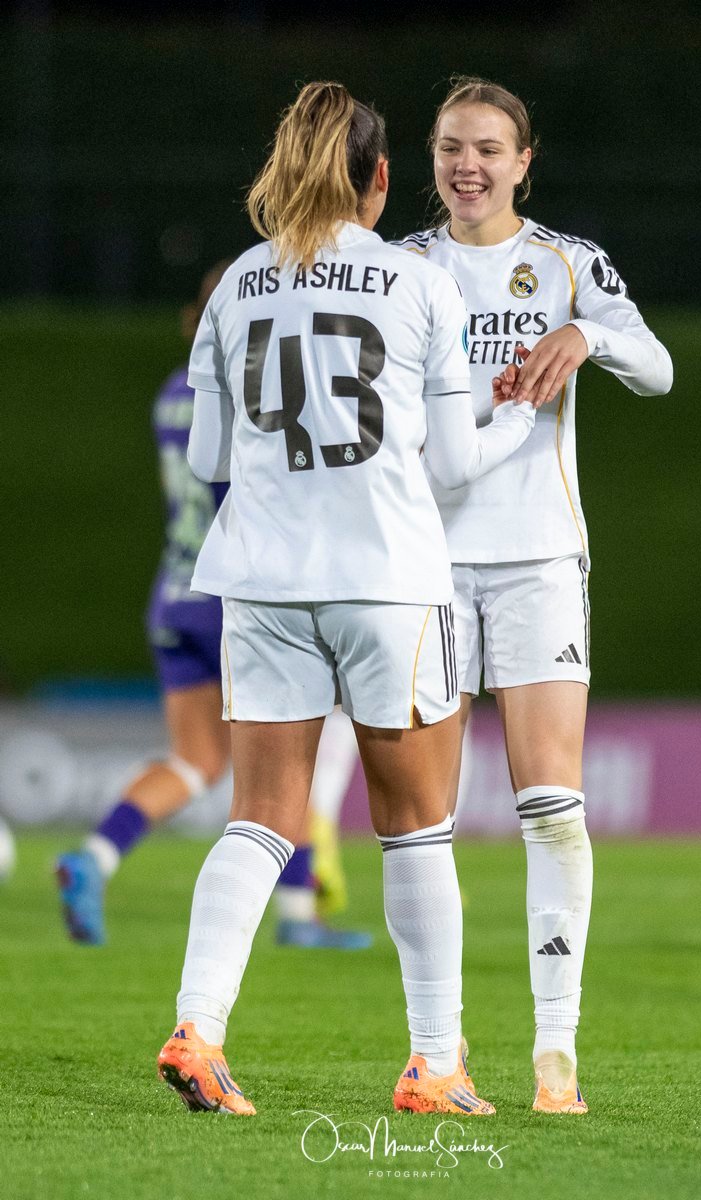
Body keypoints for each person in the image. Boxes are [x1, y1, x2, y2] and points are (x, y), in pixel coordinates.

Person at [156, 80, 538, 1116]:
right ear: (379, 178)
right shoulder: (418, 284)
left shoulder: (237, 284)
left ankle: (198, 1028)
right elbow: (452, 464)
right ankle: (434, 1064)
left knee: (259, 820)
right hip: (386, 581)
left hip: (263, 582)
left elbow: (209, 456)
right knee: (414, 828)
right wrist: (518, 416)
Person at [395, 77, 673, 1114]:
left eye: (486, 149)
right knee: (422, 821)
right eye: (449, 147)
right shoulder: (401, 267)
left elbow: (658, 368)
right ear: (430, 158)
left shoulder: (566, 265)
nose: (465, 166)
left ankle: (555, 1049)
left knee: (551, 806)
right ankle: (435, 1052)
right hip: (421, 565)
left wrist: (585, 337)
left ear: (523, 161)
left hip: (537, 561)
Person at [55, 267, 369, 951]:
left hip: (174, 594)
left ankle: (94, 857)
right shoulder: (254, 392)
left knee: (195, 760)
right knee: (292, 754)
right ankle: (297, 913)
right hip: (236, 596)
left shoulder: (173, 392)